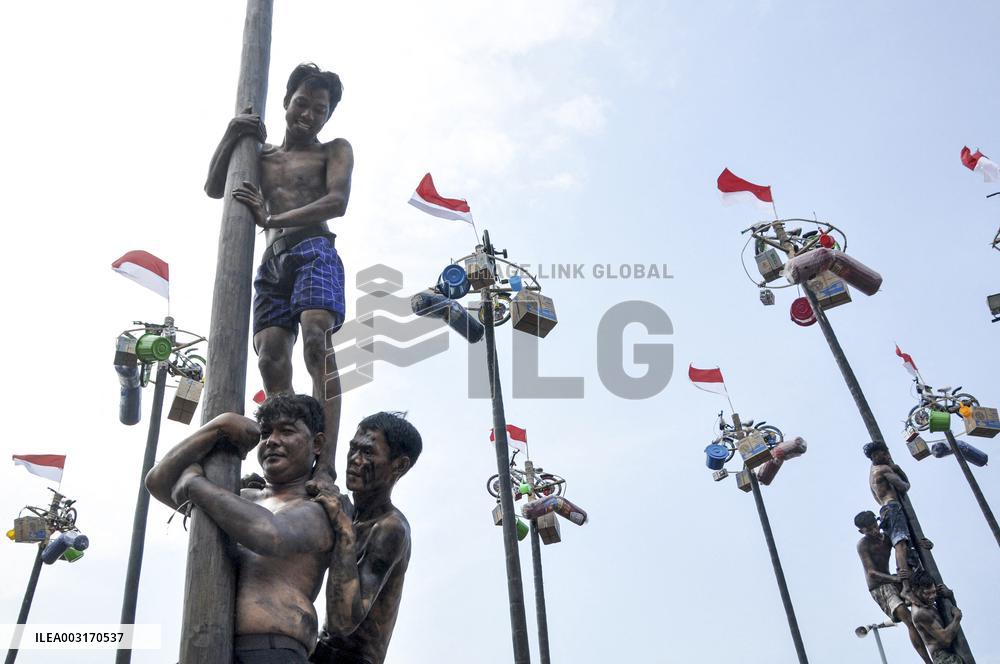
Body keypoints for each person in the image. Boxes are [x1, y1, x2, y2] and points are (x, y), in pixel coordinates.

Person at [205, 62, 354, 492]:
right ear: (287, 101)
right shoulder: (260, 154)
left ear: (328, 117)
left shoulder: (333, 150)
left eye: (319, 110)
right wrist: (234, 132)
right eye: (302, 104)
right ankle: (286, 457)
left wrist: (272, 216)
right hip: (272, 261)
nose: (308, 115)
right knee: (270, 357)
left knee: (315, 338)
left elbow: (336, 201)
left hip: (314, 248)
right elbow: (216, 187)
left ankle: (324, 464)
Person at [146, 394, 335, 663]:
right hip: (204, 645)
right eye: (266, 432)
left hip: (272, 652)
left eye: (287, 431)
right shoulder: (238, 498)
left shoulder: (320, 510)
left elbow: (270, 535)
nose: (272, 440)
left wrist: (194, 485)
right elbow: (157, 482)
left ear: (316, 444)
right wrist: (217, 428)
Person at [310, 412, 422, 664]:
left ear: (399, 465)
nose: (354, 460)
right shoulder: (345, 511)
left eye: (368, 453)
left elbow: (342, 622)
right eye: (353, 449)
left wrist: (343, 528)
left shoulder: (390, 528)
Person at [854, 510, 932, 664]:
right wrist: (895, 578)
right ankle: (928, 661)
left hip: (893, 579)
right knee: (909, 620)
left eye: (874, 526)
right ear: (861, 531)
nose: (874, 531)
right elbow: (871, 573)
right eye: (869, 530)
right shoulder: (863, 544)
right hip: (879, 587)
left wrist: (924, 544)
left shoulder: (887, 536)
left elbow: (905, 545)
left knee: (923, 603)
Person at [864, 441, 917, 602]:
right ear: (875, 455)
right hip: (893, 507)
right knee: (900, 543)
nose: (887, 456)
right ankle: (906, 588)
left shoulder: (872, 472)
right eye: (883, 453)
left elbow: (875, 495)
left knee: (900, 544)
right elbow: (904, 486)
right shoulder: (885, 469)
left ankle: (907, 582)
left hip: (884, 509)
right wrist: (899, 470)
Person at [910, 570, 965, 664]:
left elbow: (951, 614)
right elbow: (946, 639)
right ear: (916, 591)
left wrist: (950, 596)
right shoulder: (920, 613)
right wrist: (957, 618)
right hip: (943, 658)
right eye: (927, 593)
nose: (932, 596)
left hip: (951, 651)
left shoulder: (929, 603)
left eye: (934, 592)